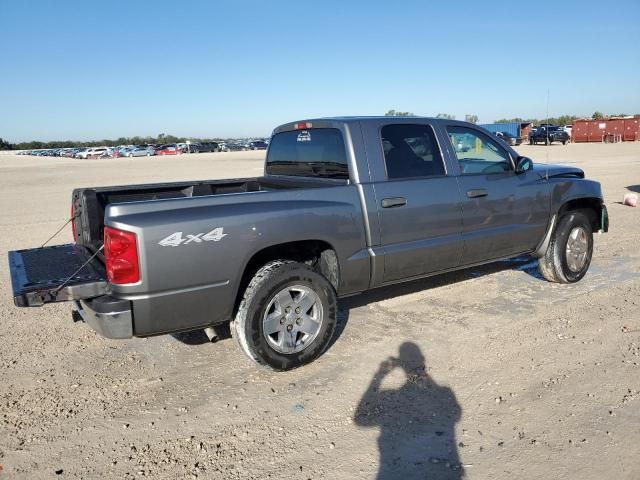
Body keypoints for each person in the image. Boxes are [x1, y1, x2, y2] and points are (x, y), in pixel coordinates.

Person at [354, 342, 463, 479]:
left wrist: (379, 376)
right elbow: (456, 414)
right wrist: (425, 378)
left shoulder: (389, 396)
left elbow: (360, 419)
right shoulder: (445, 392)